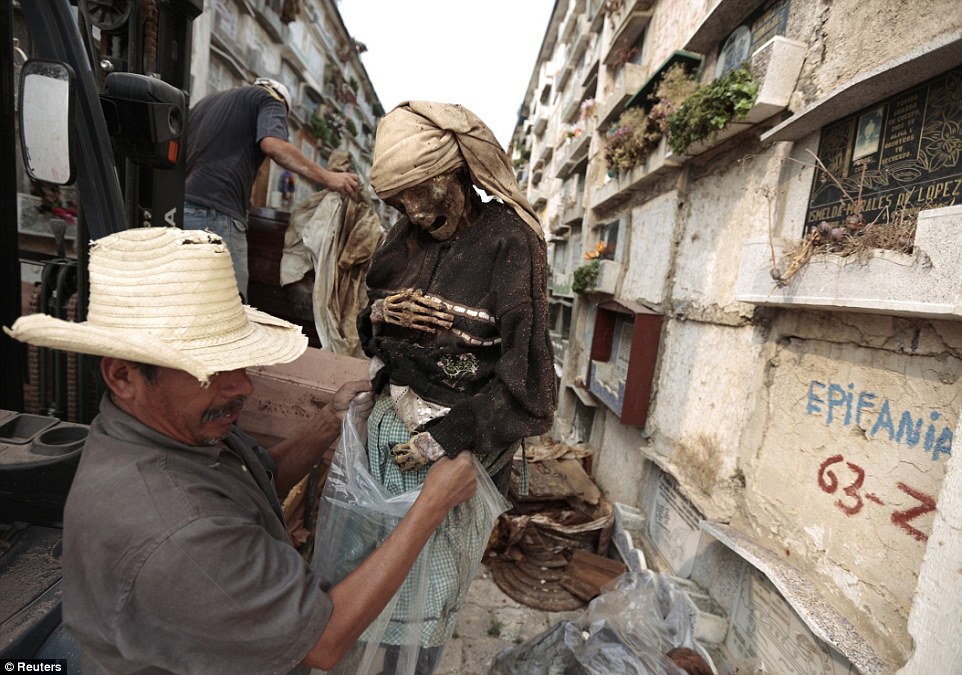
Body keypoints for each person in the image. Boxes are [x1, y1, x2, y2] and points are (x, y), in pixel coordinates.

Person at [3, 226, 477, 674]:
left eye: (240, 362)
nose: (243, 386)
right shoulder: (179, 532)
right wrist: (430, 507)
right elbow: (325, 640)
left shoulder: (171, 430)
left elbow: (257, 480)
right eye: (209, 370)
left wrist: (327, 422)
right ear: (123, 377)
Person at [349, 101, 557, 672]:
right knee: (371, 581)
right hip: (389, 443)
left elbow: (531, 390)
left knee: (424, 602)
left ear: (457, 173)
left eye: (423, 192)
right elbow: (368, 336)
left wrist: (442, 441)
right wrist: (382, 316)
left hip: (457, 454)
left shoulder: (510, 243)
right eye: (398, 202)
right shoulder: (402, 241)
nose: (413, 211)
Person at [183, 77, 360, 299]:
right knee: (228, 307)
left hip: (182, 209)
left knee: (186, 301)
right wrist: (328, 177)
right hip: (216, 215)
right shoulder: (271, 100)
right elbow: (273, 145)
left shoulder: (208, 103)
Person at [281, 149, 384, 358]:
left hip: (345, 278)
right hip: (326, 277)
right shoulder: (326, 203)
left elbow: (364, 242)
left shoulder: (356, 205)